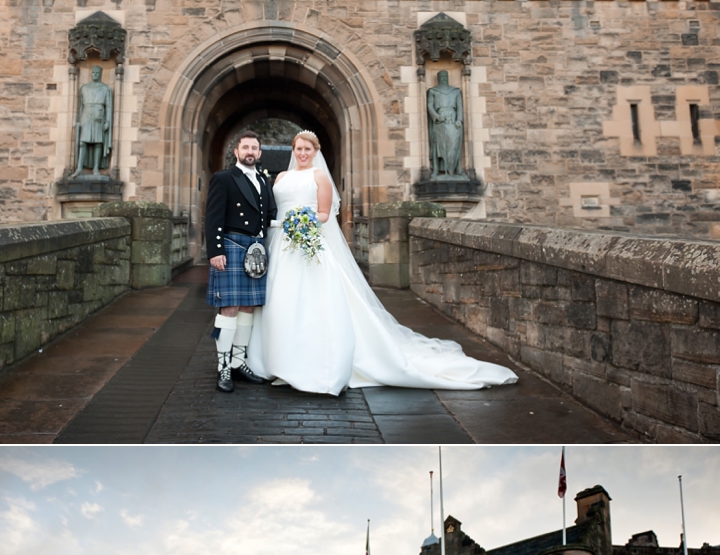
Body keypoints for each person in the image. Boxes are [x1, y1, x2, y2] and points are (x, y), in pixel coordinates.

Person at [246, 131, 518, 395]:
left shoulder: (320, 177)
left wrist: (302, 222)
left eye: (307, 149)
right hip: (281, 245)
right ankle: (278, 361)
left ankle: (311, 365)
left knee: (310, 303)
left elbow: (325, 214)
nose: (302, 153)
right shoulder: (281, 176)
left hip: (308, 244)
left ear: (315, 152)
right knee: (281, 301)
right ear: (293, 150)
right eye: (298, 148)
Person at [204, 129, 276, 392]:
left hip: (255, 249)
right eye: (245, 147)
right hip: (232, 247)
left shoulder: (263, 180)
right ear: (236, 151)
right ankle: (223, 367)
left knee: (248, 308)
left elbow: (270, 215)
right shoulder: (223, 178)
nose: (250, 152)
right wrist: (215, 250)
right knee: (230, 309)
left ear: (259, 153)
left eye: (254, 148)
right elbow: (212, 217)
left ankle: (238, 363)